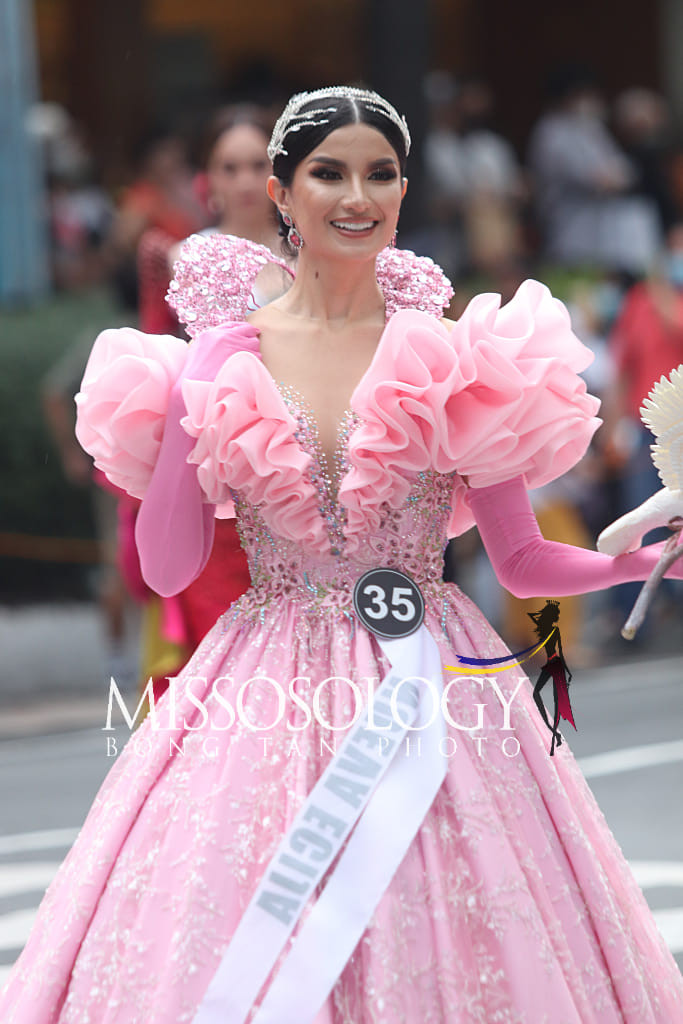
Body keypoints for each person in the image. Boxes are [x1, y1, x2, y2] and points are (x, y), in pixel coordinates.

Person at [3, 86, 683, 1023]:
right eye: (328, 173)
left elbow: (520, 563)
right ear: (281, 192)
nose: (355, 196)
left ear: (404, 191)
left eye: (380, 173)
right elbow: (163, 569)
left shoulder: (455, 357)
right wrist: (194, 392)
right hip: (260, 684)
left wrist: (638, 564)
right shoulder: (218, 357)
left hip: (436, 681)